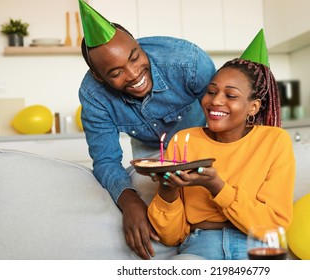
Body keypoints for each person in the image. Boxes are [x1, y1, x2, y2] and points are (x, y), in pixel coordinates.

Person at [77, 0, 216, 260]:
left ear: (138, 44)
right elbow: (106, 160)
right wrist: (128, 201)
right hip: (151, 150)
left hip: (205, 140)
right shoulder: (93, 95)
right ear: (99, 77)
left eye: (135, 57)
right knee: (148, 195)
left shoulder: (187, 61)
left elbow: (227, 118)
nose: (133, 74)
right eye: (116, 72)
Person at [147, 32, 296, 259]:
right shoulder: (183, 140)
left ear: (253, 107)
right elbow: (171, 237)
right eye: (212, 91)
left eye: (231, 95)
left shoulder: (274, 141)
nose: (215, 101)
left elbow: (274, 225)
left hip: (256, 244)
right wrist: (168, 189)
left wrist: (217, 186)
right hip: (200, 245)